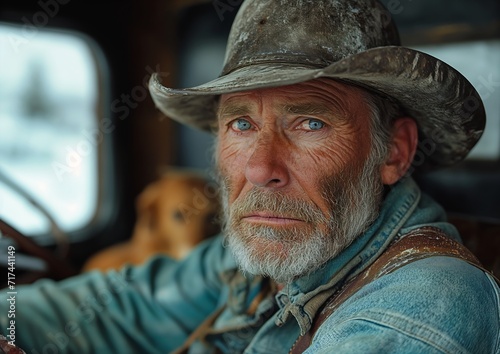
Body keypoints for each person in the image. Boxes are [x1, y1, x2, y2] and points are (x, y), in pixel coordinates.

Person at [2, 0, 500, 353]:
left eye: (310, 123)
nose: (261, 169)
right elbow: (121, 308)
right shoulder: (264, 254)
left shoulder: (425, 306)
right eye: (242, 124)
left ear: (394, 151)